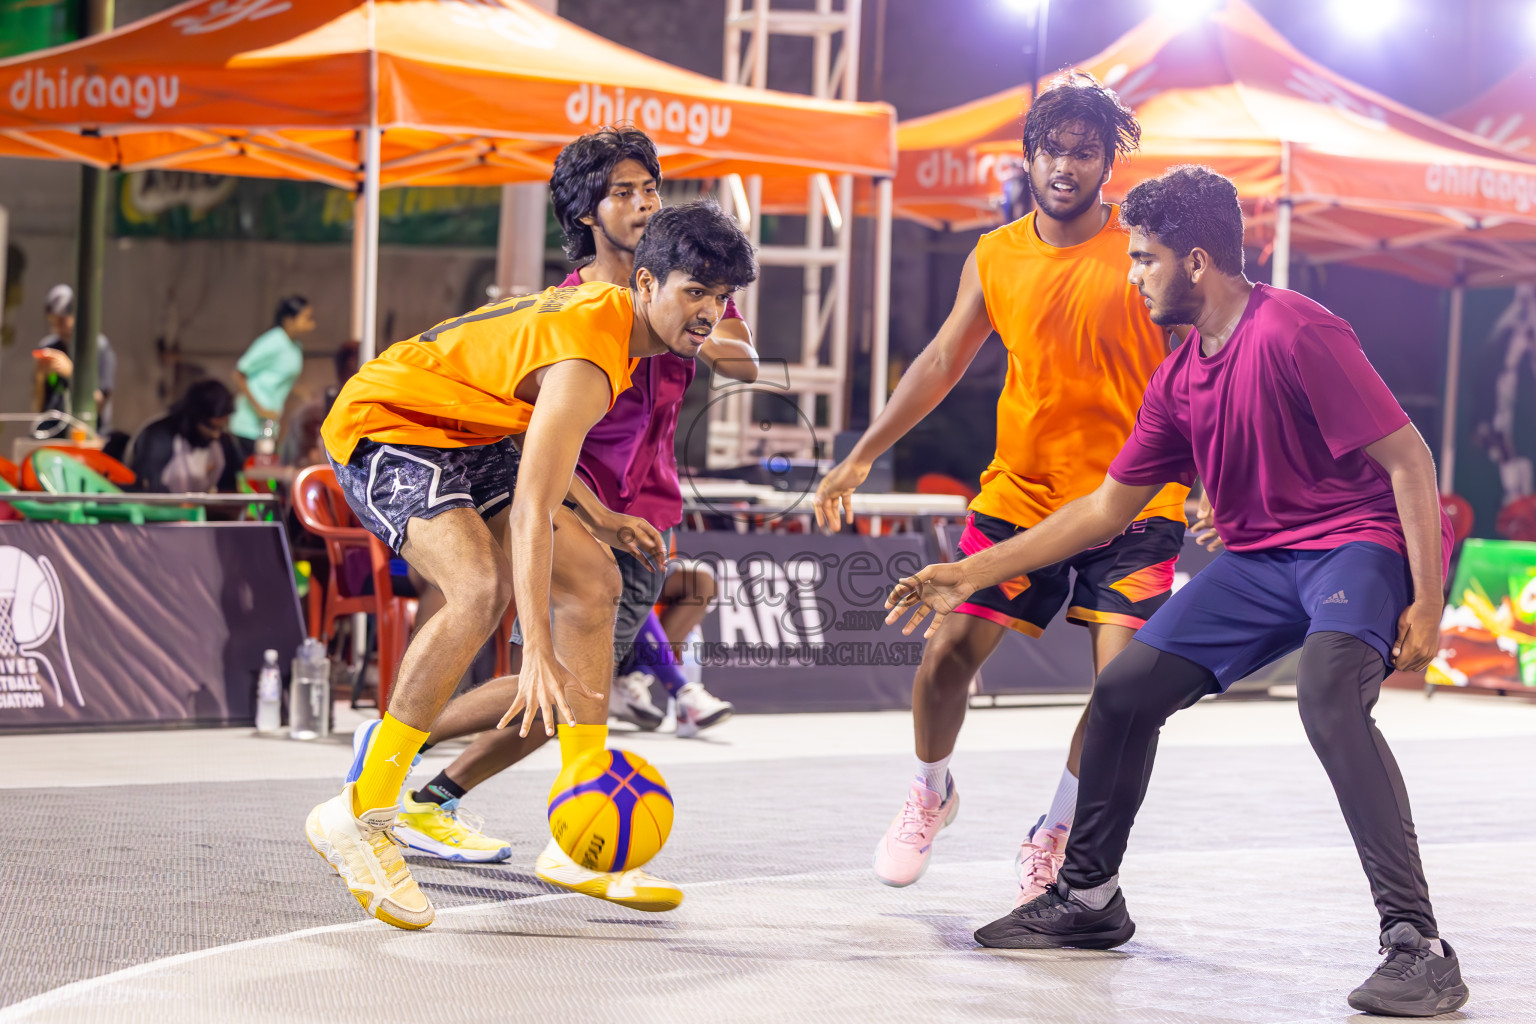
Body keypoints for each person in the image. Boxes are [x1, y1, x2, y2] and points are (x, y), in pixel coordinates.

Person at [886, 165, 1468, 1018]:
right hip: (1261, 561)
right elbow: (1103, 509)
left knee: (1329, 699)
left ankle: (1418, 943)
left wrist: (1427, 600)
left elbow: (1408, 457)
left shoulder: (1297, 330)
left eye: (1144, 259)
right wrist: (970, 571)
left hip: (1354, 543)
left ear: (1196, 261)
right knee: (1124, 694)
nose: (1132, 275)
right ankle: (1087, 899)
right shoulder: (1179, 379)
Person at [308, 199, 757, 930]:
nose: (708, 314)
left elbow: (541, 449)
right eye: (693, 293)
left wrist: (604, 517)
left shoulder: (616, 329)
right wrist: (539, 652)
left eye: (720, 297)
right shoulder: (591, 354)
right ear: (646, 284)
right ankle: (361, 815)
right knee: (479, 591)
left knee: (597, 580)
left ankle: (581, 818)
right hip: (391, 425)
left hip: (471, 429)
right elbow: (530, 511)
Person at [813, 72, 1188, 902]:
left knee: (1122, 690)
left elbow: (1197, 370)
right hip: (1021, 497)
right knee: (946, 659)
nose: (1066, 165)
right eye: (1052, 149)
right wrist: (862, 453)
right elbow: (943, 359)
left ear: (1107, 164)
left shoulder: (1140, 251)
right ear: (1029, 155)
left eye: (1085, 153)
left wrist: (1217, 478)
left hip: (1135, 505)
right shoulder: (995, 253)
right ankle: (930, 790)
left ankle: (1054, 832)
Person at [230, 295, 313, 461]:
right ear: (289, 320)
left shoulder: (295, 346)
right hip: (249, 425)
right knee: (252, 479)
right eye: (306, 318)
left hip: (269, 426)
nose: (311, 324)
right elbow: (239, 373)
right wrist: (259, 408)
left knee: (266, 474)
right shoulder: (274, 340)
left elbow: (277, 379)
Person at [127, 380, 242, 493]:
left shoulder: (221, 444)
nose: (216, 435)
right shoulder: (159, 437)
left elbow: (228, 489)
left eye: (221, 428)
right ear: (194, 418)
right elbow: (147, 488)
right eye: (210, 427)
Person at [33, 283, 117, 435]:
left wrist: (71, 372)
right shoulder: (50, 346)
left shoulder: (99, 348)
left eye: (62, 321)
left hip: (87, 432)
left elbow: (99, 404)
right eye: (53, 322)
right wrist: (40, 377)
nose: (58, 327)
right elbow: (38, 407)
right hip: (51, 430)